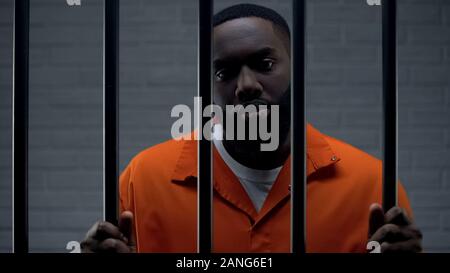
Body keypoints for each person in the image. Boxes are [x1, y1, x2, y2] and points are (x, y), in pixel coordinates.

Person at [81, 4, 422, 253]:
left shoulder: (373, 186)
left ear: (296, 69)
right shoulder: (144, 179)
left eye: (264, 64)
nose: (246, 85)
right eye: (224, 71)